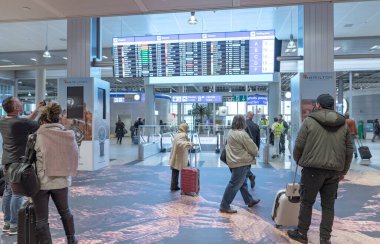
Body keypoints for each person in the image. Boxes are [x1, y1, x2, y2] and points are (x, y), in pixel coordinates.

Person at [287, 94, 353, 244]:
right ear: (332, 106)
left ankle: (302, 233)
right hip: (334, 172)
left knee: (307, 202)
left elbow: (299, 145)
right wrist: (343, 171)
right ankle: (325, 239)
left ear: (317, 105)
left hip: (312, 170)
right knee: (328, 206)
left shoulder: (309, 121)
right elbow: (349, 150)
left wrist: (298, 160)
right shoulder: (343, 124)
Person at [33, 102, 79, 244]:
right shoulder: (69, 135)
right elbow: (75, 155)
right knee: (65, 212)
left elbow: (28, 160)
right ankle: (71, 240)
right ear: (58, 118)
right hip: (61, 180)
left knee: (41, 219)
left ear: (44, 119)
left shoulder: (37, 136)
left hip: (41, 182)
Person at [0, 96, 41, 235]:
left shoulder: (4, 120)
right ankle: (14, 225)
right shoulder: (20, 123)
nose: (21, 103)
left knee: (8, 191)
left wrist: (36, 111)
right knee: (18, 194)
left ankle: (6, 223)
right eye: (19, 102)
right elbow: (37, 125)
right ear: (16, 108)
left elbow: (25, 121)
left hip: (6, 161)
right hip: (17, 162)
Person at [219, 115, 260, 214]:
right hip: (240, 162)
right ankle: (224, 205)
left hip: (232, 161)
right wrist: (257, 153)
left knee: (242, 183)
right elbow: (253, 149)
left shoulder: (231, 132)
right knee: (234, 184)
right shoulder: (242, 134)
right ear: (243, 123)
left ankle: (249, 200)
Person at [169, 123, 193, 191]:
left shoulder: (177, 134)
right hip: (180, 156)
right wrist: (189, 143)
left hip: (176, 156)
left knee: (175, 171)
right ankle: (187, 186)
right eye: (187, 128)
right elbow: (179, 143)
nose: (188, 130)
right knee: (187, 170)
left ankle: (174, 186)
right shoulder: (183, 135)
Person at [245, 111, 260, 189]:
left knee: (242, 166)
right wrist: (257, 150)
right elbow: (258, 140)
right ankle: (250, 177)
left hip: (244, 149)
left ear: (246, 116)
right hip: (252, 149)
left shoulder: (243, 125)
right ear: (252, 117)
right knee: (248, 165)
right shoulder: (256, 126)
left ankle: (250, 176)